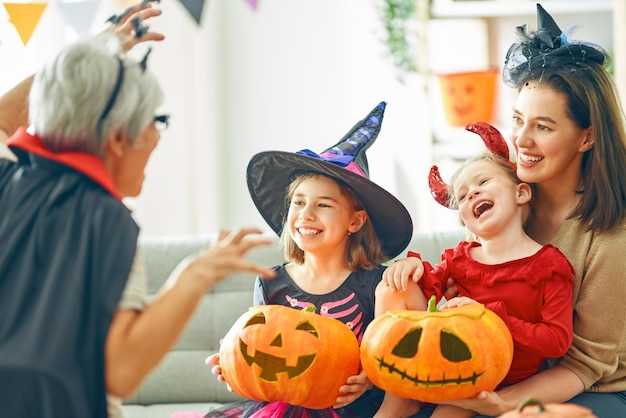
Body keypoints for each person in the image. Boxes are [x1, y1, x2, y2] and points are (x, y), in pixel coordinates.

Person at [0, 6, 277, 418]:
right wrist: (194, 275)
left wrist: (96, 53)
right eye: (155, 121)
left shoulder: (7, 177)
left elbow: (8, 115)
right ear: (116, 137)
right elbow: (121, 371)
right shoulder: (109, 224)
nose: (156, 137)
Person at [411, 4, 626, 417]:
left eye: (543, 127)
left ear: (587, 137)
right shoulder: (505, 201)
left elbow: (586, 364)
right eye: (517, 119)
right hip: (498, 370)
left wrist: (501, 404)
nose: (522, 140)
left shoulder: (609, 237)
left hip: (596, 389)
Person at [204, 101, 414, 417]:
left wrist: (369, 380)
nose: (306, 214)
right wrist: (235, 367)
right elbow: (264, 359)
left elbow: (391, 362)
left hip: (351, 410)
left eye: (323, 205)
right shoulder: (270, 280)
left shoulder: (378, 285)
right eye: (298, 203)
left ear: (354, 222)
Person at [374, 138, 575, 418]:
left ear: (521, 194)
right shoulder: (460, 259)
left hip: (515, 382)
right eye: (464, 195)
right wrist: (410, 266)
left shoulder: (549, 266)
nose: (472, 194)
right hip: (460, 372)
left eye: (483, 182)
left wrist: (487, 315)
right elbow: (425, 293)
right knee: (393, 288)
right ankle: (400, 395)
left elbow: (556, 341)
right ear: (464, 221)